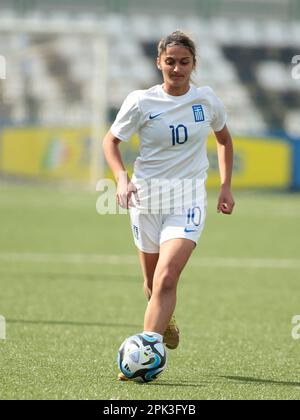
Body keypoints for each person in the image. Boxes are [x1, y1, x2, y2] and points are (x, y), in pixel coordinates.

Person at [102, 31, 235, 381]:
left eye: (184, 62)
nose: (177, 68)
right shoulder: (140, 101)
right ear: (159, 62)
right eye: (170, 61)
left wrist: (224, 186)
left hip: (187, 200)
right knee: (151, 283)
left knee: (166, 278)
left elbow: (224, 140)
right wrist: (120, 178)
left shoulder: (205, 100)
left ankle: (144, 357)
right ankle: (164, 323)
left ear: (193, 65)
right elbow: (111, 142)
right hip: (145, 200)